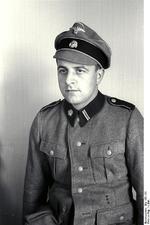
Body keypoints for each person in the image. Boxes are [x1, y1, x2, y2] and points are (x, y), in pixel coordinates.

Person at [23, 22, 143, 225]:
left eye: (79, 71)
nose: (69, 80)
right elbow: (32, 195)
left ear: (98, 76)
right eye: (63, 70)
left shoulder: (127, 119)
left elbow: (147, 191)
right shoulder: (45, 120)